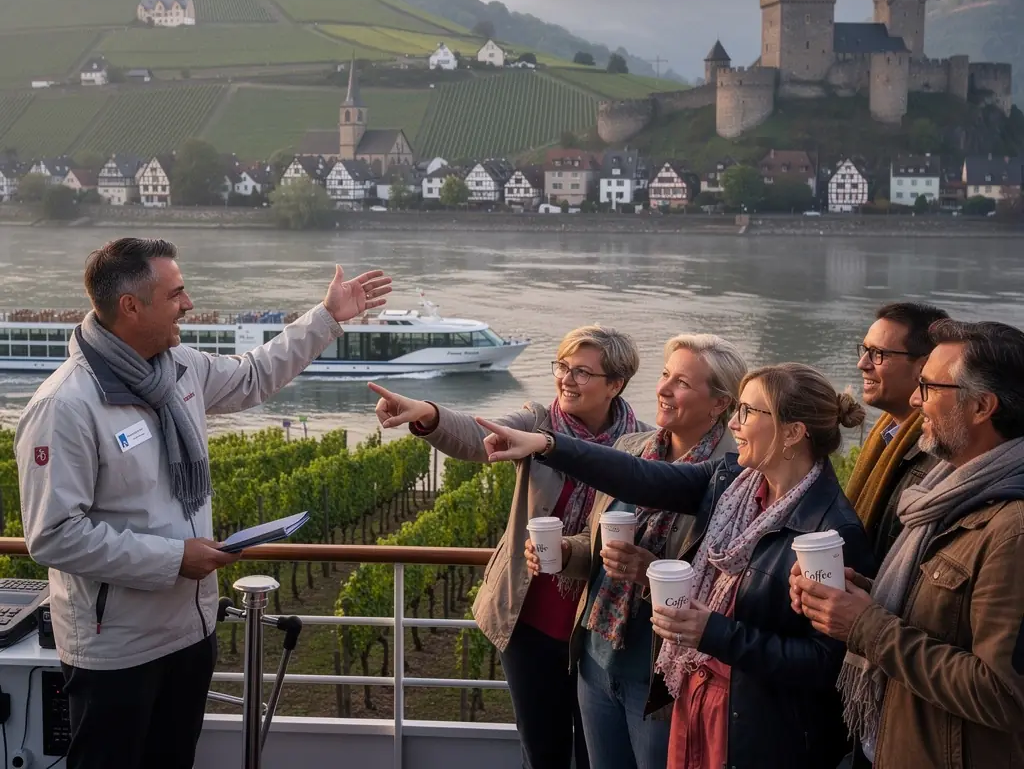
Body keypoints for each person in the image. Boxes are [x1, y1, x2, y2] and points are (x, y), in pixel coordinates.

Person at [15, 238, 391, 769]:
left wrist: (328, 316)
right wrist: (174, 560)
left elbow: (254, 375)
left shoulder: (179, 369)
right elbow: (54, 535)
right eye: (177, 293)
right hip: (116, 650)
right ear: (131, 306)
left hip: (191, 632)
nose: (189, 304)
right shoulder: (65, 406)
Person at [481, 362, 875, 769]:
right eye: (735, 410)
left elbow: (825, 665)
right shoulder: (731, 481)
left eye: (747, 412)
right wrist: (548, 445)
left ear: (793, 432)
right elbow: (638, 475)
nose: (734, 424)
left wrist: (716, 633)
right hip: (699, 700)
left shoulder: (828, 532)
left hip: (762, 736)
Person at [369, 325, 645, 769]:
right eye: (562, 367)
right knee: (542, 752)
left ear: (616, 384)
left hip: (596, 630)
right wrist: (428, 414)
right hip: (528, 621)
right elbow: (479, 437)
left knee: (597, 754)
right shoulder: (538, 422)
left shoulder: (641, 447)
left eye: (581, 372)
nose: (566, 380)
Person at [791, 319, 1024, 768]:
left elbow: (1004, 694)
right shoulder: (949, 492)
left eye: (928, 387)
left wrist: (866, 625)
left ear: (982, 407)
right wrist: (864, 590)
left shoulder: (1012, 528)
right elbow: (950, 615)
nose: (915, 401)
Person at [525, 334, 745, 769]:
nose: (662, 389)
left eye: (681, 382)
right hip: (597, 659)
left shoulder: (732, 475)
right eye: (665, 374)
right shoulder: (631, 448)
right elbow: (599, 544)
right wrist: (568, 553)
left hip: (663, 677)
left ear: (719, 404)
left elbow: (729, 584)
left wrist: (651, 572)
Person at [845, 301, 949, 562]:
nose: (862, 363)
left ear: (924, 366)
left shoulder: (938, 455)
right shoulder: (885, 436)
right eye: (865, 350)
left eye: (878, 354)